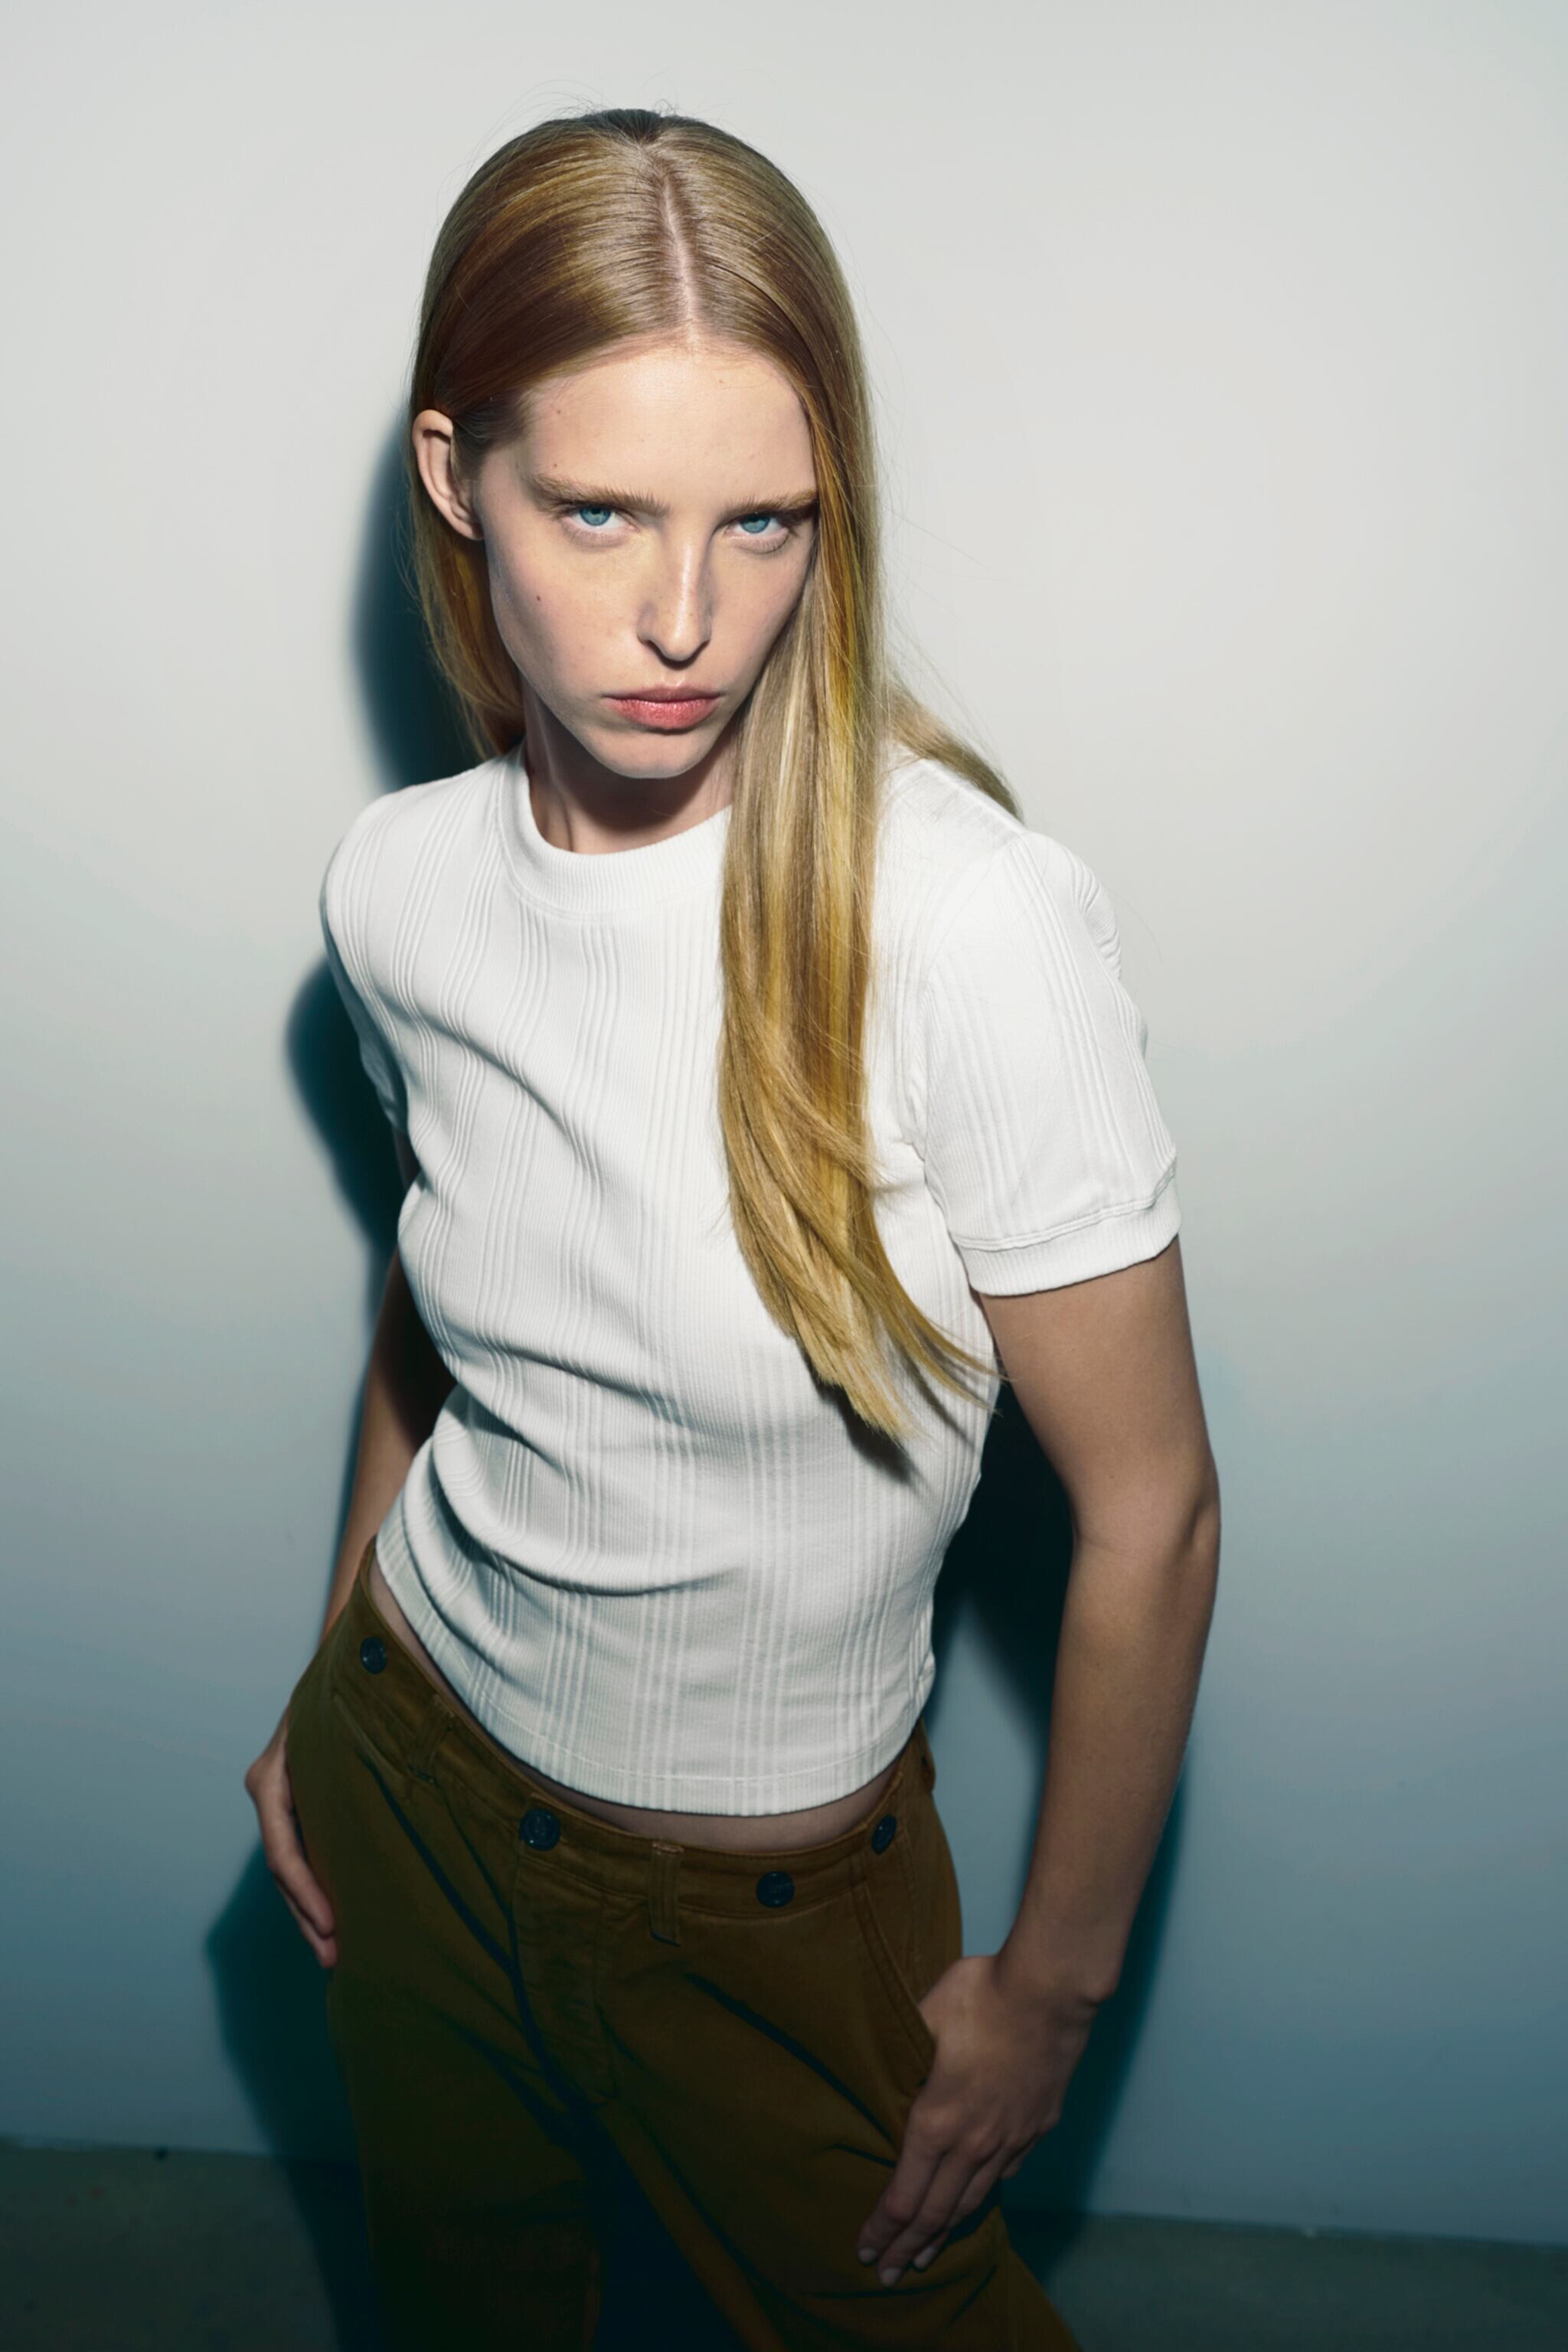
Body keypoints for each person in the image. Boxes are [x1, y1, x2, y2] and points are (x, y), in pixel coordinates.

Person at [244, 104, 1220, 2352]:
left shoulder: (963, 924)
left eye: (762, 522)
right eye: (599, 510)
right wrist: (330, 1657)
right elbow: (450, 1289)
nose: (685, 619)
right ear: (455, 475)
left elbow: (1153, 1514)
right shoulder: (399, 888)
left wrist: (1053, 1990)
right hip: (414, 1781)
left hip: (762, 1911)